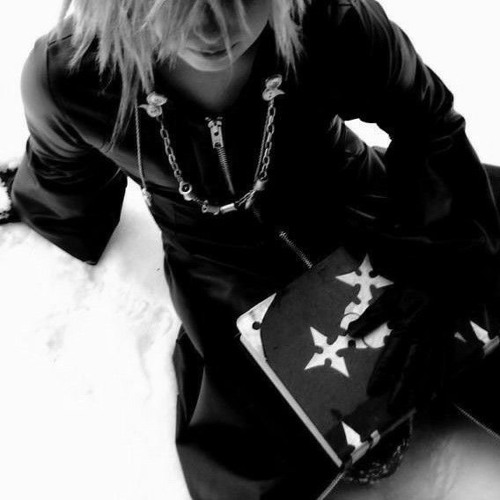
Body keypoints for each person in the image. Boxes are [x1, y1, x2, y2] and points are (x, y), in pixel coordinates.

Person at [2, 0, 500, 498]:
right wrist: (49, 213)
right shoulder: (72, 75)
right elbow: (62, 175)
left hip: (364, 210)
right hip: (222, 271)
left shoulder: (330, 19)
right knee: (264, 454)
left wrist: (443, 258)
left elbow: (428, 124)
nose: (215, 28)